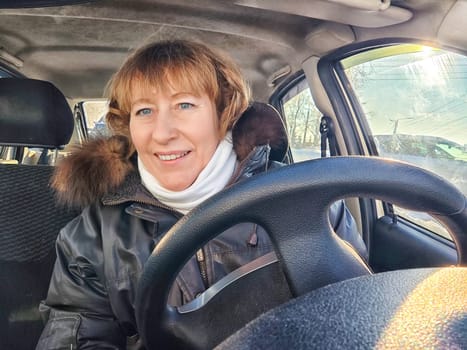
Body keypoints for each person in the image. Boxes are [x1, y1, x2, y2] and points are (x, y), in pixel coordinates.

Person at [36, 39, 368, 349]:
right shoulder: (94, 231)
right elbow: (76, 335)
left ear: (223, 115)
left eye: (184, 104)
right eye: (144, 111)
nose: (162, 133)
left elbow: (353, 318)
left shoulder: (302, 201)